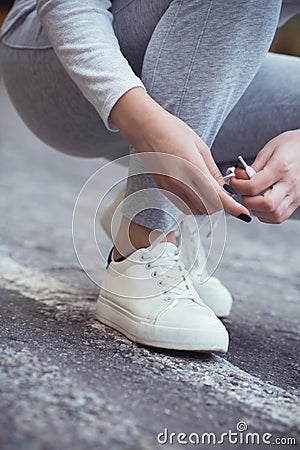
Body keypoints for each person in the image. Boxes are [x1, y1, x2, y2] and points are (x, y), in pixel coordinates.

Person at [1, 0, 299, 352]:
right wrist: (141, 120)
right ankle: (142, 240)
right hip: (58, 58)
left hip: (186, 63)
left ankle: (142, 205)